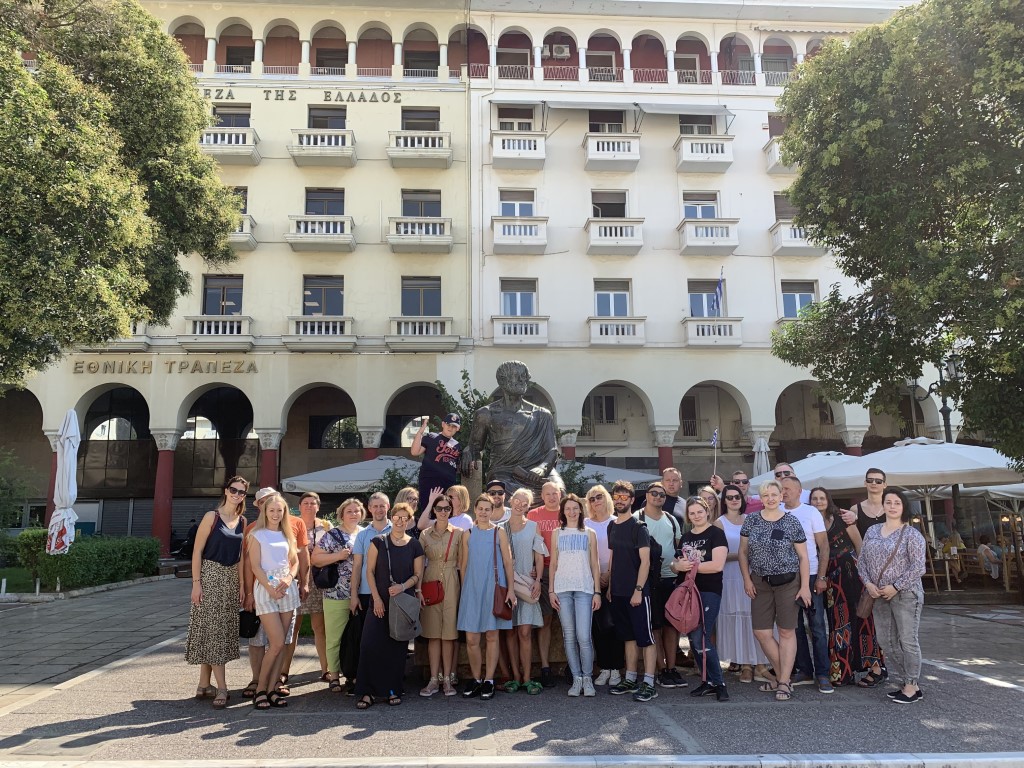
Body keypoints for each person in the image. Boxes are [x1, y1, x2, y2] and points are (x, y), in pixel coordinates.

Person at [738, 479, 812, 702]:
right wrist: (746, 579)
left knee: (787, 631)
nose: (770, 498)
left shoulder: (791, 522)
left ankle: (783, 681)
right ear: (761, 498)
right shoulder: (751, 520)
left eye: (774, 494)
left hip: (788, 582)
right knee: (761, 632)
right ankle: (783, 677)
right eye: (765, 495)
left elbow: (803, 557)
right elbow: (743, 553)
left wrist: (805, 587)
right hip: (760, 582)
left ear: (781, 497)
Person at [857, 488, 927, 704]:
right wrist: (868, 583)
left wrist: (896, 586)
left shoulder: (911, 534)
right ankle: (910, 682)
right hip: (878, 593)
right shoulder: (872, 531)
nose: (893, 506)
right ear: (883, 505)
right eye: (889, 502)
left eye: (897, 503)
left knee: (907, 640)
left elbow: (918, 567)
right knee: (886, 641)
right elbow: (862, 561)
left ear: (903, 507)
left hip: (906, 594)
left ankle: (910, 685)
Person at [809, 486, 884, 687]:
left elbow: (859, 546)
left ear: (828, 500)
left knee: (863, 618)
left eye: (822, 498)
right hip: (831, 578)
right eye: (815, 498)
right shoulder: (809, 521)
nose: (818, 502)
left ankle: (875, 668)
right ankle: (842, 671)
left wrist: (866, 575)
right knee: (838, 621)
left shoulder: (842, 518)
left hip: (852, 573)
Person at [185, 475, 247, 709]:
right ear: (226, 490)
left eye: (241, 492)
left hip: (231, 580)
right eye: (234, 490)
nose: (237, 494)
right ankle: (222, 688)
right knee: (214, 633)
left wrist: (242, 584)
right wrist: (196, 583)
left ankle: (203, 685)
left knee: (217, 631)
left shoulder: (242, 521)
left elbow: (241, 557)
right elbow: (197, 551)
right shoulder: (212, 517)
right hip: (210, 576)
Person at [354, 503, 425, 709]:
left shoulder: (415, 545)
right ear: (391, 517)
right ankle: (367, 692)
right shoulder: (378, 541)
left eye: (405, 518)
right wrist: (376, 598)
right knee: (370, 646)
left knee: (396, 648)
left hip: (402, 602)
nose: (400, 521)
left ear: (409, 521)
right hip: (379, 602)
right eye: (397, 517)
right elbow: (369, 572)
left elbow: (418, 575)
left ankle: (392, 689)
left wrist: (403, 586)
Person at [240, 487, 307, 700]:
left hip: (287, 590)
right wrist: (269, 588)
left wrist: (289, 579)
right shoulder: (256, 534)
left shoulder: (288, 534)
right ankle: (260, 689)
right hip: (266, 590)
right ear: (265, 511)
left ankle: (272, 689)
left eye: (280, 510)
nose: (276, 514)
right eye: (272, 510)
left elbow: (294, 562)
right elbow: (255, 566)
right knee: (276, 643)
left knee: (282, 644)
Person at [460, 360, 560, 495]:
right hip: (504, 472)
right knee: (506, 492)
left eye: (524, 376)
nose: (522, 380)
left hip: (537, 472)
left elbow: (552, 450)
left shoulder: (542, 414)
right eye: (517, 376)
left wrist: (542, 467)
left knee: (558, 491)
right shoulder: (486, 414)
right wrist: (468, 452)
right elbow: (475, 447)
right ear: (502, 380)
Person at [457, 495, 517, 700]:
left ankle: (489, 680)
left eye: (487, 509)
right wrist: (464, 590)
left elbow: (508, 562)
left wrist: (511, 590)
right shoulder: (467, 534)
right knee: (472, 638)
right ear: (475, 509)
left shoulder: (499, 532)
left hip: (493, 589)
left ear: (492, 511)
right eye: (480, 508)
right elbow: (463, 565)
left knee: (492, 636)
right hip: (472, 590)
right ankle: (476, 679)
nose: (483, 512)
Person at [607, 480, 659, 703]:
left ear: (631, 500)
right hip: (617, 592)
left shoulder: (639, 527)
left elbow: (645, 562)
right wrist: (610, 587)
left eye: (624, 497)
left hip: (637, 592)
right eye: (616, 497)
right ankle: (630, 678)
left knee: (645, 638)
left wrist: (638, 590)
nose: (620, 501)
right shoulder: (612, 526)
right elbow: (613, 558)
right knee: (627, 637)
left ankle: (649, 683)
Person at [673, 496, 730, 702]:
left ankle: (719, 683)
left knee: (701, 637)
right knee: (692, 637)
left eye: (699, 511)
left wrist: (690, 567)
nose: (696, 516)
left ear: (707, 512)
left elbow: (717, 565)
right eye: (692, 513)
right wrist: (676, 566)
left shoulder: (716, 534)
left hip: (709, 591)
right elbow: (676, 564)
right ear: (688, 516)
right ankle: (707, 681)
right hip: (688, 592)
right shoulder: (686, 537)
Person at [713, 484, 771, 685]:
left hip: (752, 575)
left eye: (737, 496)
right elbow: (718, 555)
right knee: (738, 619)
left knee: (755, 618)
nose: (734, 500)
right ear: (724, 501)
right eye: (729, 497)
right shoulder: (719, 523)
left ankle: (761, 664)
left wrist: (749, 556)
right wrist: (741, 555)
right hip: (730, 576)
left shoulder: (751, 519)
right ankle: (745, 664)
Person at [780, 476, 833, 694]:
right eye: (781, 489)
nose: (784, 492)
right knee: (793, 627)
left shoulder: (810, 512)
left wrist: (821, 577)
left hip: (810, 575)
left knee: (817, 626)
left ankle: (823, 673)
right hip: (786, 577)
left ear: (799, 491)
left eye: (788, 489)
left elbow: (824, 547)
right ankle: (804, 669)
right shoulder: (776, 512)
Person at [633, 481, 684, 689]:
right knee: (655, 627)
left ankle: (672, 668)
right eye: (654, 493)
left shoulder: (671, 519)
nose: (658, 497)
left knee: (671, 627)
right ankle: (661, 669)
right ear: (647, 495)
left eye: (662, 495)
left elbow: (678, 547)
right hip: (648, 581)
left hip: (671, 579)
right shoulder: (637, 518)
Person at [549, 494, 601, 697]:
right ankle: (576, 678)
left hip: (584, 589)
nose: (571, 512)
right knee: (569, 636)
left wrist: (597, 592)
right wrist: (551, 590)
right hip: (562, 589)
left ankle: (587, 678)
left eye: (575, 508)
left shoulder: (589, 533)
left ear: (580, 510)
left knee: (584, 636)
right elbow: (553, 564)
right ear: (563, 512)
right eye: (567, 509)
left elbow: (595, 564)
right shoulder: (557, 533)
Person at [280, 491, 332, 686]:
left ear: (318, 507)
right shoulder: (289, 524)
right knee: (292, 628)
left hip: (318, 580)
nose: (309, 506)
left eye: (313, 503)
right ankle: (283, 671)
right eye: (306, 503)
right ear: (299, 506)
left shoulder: (326, 526)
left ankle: (326, 669)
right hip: (295, 578)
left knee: (319, 627)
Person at [312, 498, 361, 693]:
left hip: (361, 592)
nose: (354, 514)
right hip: (336, 593)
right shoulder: (332, 535)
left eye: (357, 511)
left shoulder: (364, 533)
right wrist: (338, 556)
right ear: (341, 514)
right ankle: (333, 675)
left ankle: (352, 672)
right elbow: (315, 558)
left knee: (356, 636)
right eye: (349, 511)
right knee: (335, 636)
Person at [418, 491, 464, 697]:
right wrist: (418, 589)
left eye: (447, 508)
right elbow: (419, 563)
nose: (443, 512)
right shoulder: (425, 534)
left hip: (452, 581)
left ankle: (447, 679)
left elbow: (463, 563)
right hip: (431, 581)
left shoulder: (459, 533)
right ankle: (433, 679)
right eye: (439, 508)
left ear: (451, 510)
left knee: (448, 635)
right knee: (433, 634)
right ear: (434, 510)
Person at [502, 487, 546, 695]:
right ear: (511, 501)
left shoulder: (534, 526)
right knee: (510, 632)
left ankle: (527, 677)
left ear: (529, 506)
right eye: (517, 501)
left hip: (527, 584)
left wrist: (538, 579)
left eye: (524, 503)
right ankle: (515, 677)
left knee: (525, 632)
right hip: (507, 585)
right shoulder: (501, 528)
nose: (520, 505)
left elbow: (539, 556)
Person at [348, 492, 392, 691]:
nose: (379, 510)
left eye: (382, 506)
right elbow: (357, 566)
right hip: (367, 593)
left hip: (392, 593)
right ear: (369, 508)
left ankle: (388, 681)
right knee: (369, 641)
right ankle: (368, 682)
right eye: (375, 506)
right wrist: (354, 595)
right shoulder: (363, 535)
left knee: (389, 640)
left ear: (388, 507)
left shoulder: (397, 530)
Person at [585, 484, 625, 687]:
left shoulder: (616, 522)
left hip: (615, 579)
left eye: (599, 497)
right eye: (591, 499)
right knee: (598, 627)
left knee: (615, 625)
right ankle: (604, 667)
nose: (596, 501)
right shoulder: (584, 523)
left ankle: (616, 668)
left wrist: (608, 574)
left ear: (606, 498)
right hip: (591, 581)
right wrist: (597, 577)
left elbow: (619, 551)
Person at [527, 480, 563, 687]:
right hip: (544, 571)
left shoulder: (568, 512)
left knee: (569, 621)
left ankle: (573, 666)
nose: (551, 497)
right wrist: (532, 566)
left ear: (560, 494)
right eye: (547, 494)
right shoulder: (533, 515)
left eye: (554, 493)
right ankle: (545, 666)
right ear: (541, 496)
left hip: (566, 570)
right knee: (546, 620)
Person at [411, 413, 462, 514]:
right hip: (429, 483)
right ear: (443, 424)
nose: (450, 428)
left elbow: (458, 467)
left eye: (454, 426)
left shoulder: (458, 446)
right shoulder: (431, 437)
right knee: (428, 512)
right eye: (448, 424)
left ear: (458, 428)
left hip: (448, 485)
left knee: (446, 513)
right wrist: (420, 432)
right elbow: (415, 452)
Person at [840, 468, 888, 537]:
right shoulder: (855, 509)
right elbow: (853, 535)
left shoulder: (892, 507)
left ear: (885, 485)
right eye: (870, 480)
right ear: (865, 483)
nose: (874, 483)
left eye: (878, 481)